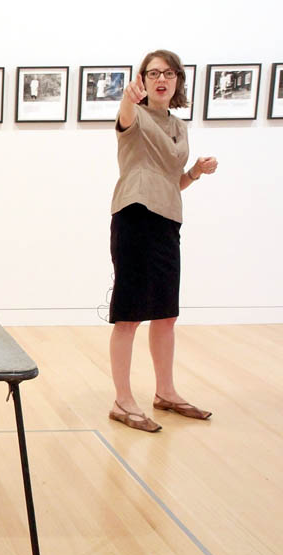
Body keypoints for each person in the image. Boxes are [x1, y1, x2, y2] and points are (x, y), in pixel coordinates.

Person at [108, 50, 218, 432]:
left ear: (177, 81)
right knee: (129, 314)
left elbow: (173, 180)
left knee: (167, 314)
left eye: (169, 73)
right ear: (143, 79)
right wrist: (127, 98)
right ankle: (123, 400)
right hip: (135, 216)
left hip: (168, 221)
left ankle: (165, 392)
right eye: (154, 72)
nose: (162, 79)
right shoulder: (133, 114)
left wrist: (195, 173)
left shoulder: (179, 125)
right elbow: (124, 119)